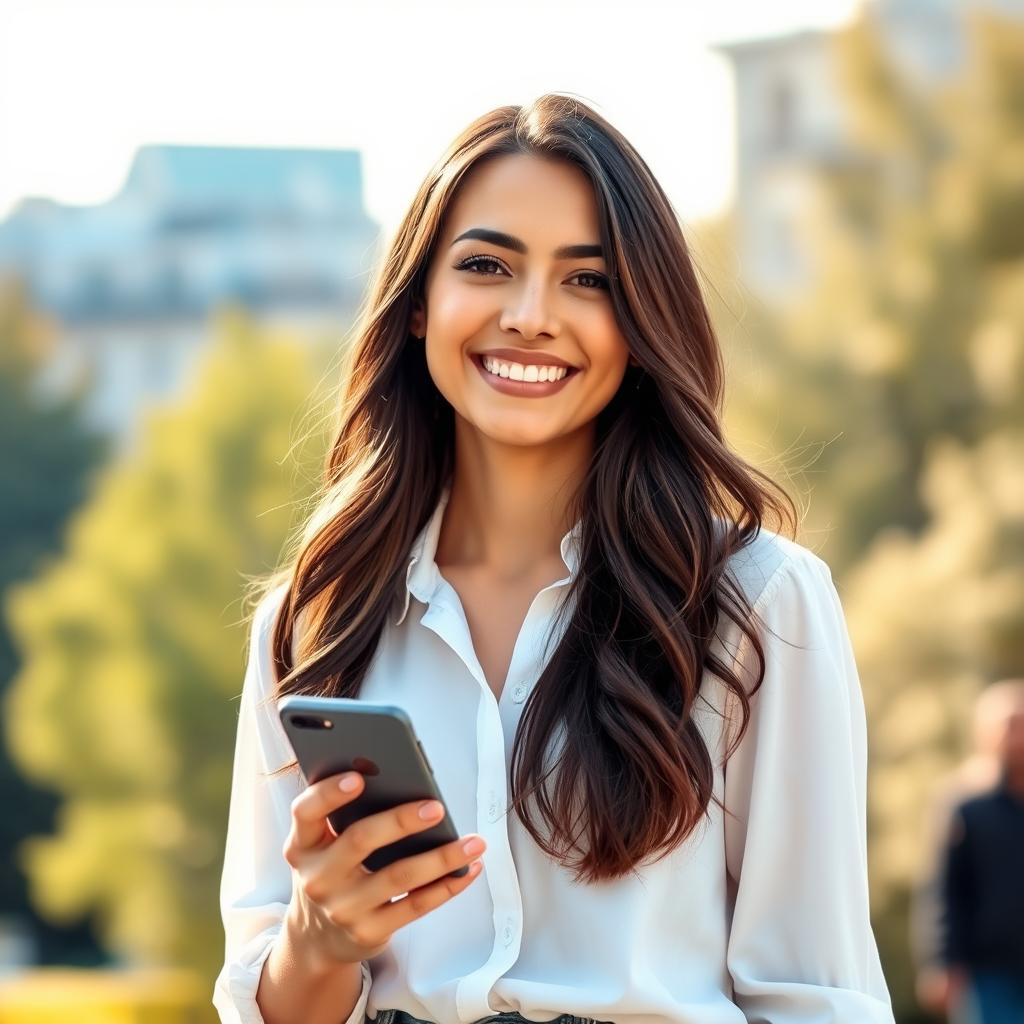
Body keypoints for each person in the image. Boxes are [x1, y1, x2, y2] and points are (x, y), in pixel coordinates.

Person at [212, 93, 896, 1024]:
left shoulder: (759, 603)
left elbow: (818, 1000)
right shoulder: (314, 618)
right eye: (487, 265)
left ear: (641, 321)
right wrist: (317, 940)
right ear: (418, 305)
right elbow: (268, 1002)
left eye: (589, 279)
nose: (531, 316)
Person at [927, 680, 1024, 1023]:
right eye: (1010, 725)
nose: (1018, 737)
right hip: (986, 972)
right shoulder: (966, 806)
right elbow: (944, 890)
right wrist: (942, 963)